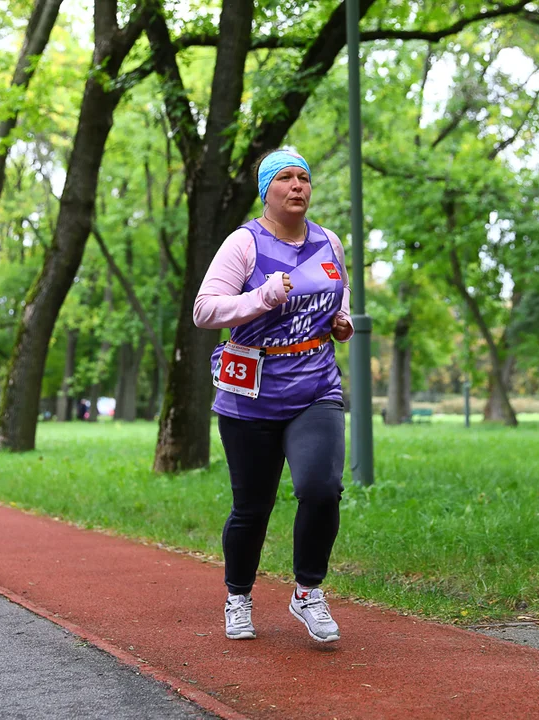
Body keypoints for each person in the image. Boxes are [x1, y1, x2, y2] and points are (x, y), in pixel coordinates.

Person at [193, 148, 354, 643]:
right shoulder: (244, 243)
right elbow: (205, 311)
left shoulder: (330, 242)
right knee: (253, 507)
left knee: (321, 489)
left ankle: (307, 592)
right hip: (252, 394)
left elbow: (337, 292)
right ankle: (238, 596)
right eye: (285, 178)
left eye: (304, 178)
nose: (298, 186)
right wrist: (261, 297)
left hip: (315, 386)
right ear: (268, 191)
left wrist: (342, 320)